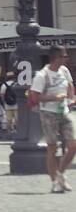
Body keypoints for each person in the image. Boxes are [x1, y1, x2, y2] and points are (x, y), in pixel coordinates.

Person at [29, 46, 75, 193]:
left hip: (64, 111)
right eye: (64, 56)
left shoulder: (64, 71)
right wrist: (53, 98)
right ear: (57, 57)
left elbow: (70, 86)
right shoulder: (41, 75)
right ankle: (55, 181)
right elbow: (35, 98)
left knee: (73, 145)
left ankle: (60, 173)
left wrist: (71, 98)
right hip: (48, 113)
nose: (67, 58)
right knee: (52, 147)